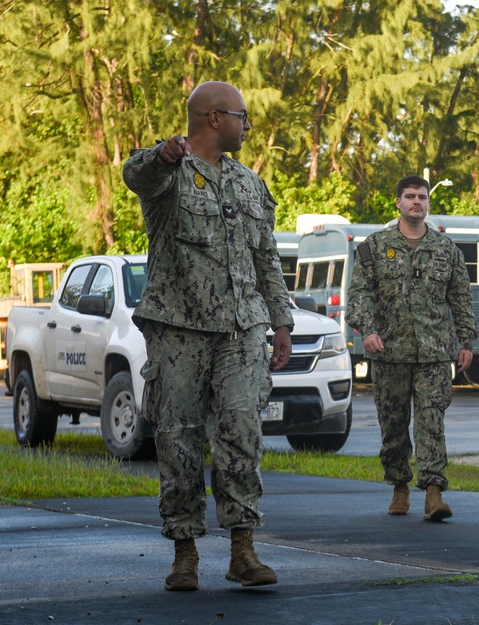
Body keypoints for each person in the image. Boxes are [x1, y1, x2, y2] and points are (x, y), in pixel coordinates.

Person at [122, 81, 293, 591]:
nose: (247, 126)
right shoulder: (169, 175)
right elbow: (136, 174)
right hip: (180, 330)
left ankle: (243, 550)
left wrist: (280, 322)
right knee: (179, 439)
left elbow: (267, 260)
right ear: (214, 118)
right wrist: (163, 154)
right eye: (242, 116)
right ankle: (184, 552)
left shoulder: (250, 184)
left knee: (242, 431)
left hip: (241, 331)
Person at [346, 176, 479, 521]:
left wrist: (467, 342)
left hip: (434, 353)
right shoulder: (374, 247)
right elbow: (359, 296)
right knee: (393, 425)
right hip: (389, 352)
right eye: (409, 196)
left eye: (421, 197)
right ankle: (399, 484)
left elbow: (461, 299)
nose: (416, 202)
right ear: (398, 203)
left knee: (431, 421)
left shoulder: (447, 250)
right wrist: (368, 331)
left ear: (428, 204)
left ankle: (433, 491)